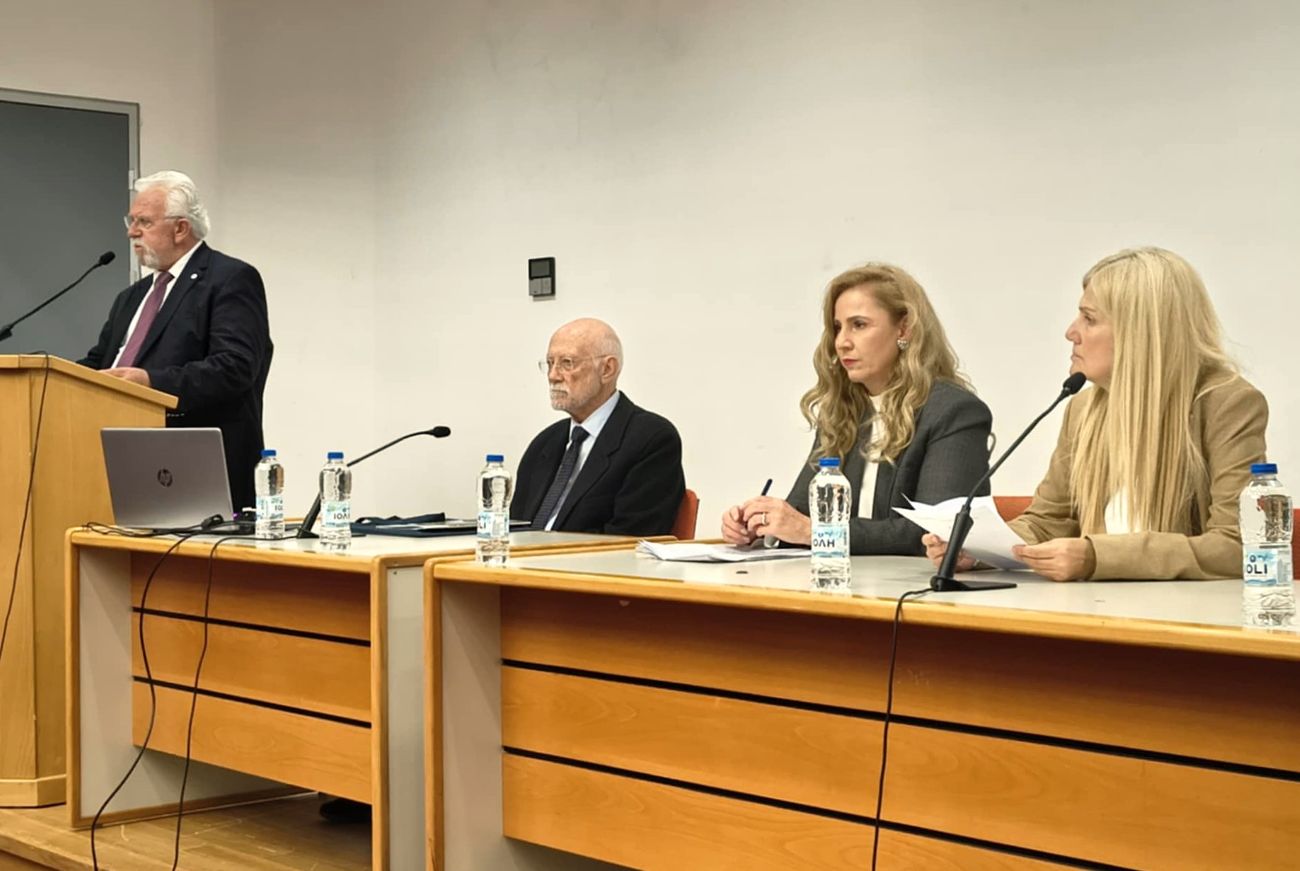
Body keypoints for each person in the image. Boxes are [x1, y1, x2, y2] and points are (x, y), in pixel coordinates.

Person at [925, 246, 1268, 581]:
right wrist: (976, 550)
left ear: (1141, 332)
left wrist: (1096, 557)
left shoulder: (1227, 404)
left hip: (1186, 612)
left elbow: (1237, 545)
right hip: (1093, 607)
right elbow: (1048, 522)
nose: (1071, 332)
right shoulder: (1083, 409)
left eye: (1089, 319)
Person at [722, 263, 992, 555]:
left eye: (859, 325)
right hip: (839, 576)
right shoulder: (843, 412)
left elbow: (935, 532)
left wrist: (816, 531)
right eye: (838, 328)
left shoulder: (953, 412)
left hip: (911, 581)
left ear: (904, 328)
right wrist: (761, 524)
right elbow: (802, 515)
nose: (841, 342)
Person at [80, 171, 272, 511]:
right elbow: (99, 363)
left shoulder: (230, 279)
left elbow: (235, 368)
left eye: (144, 221)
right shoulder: (132, 297)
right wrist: (46, 378)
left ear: (180, 228)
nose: (131, 231)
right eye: (131, 220)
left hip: (196, 463)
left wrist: (151, 382)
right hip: (120, 454)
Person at [512, 318, 685, 535]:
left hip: (587, 557)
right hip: (522, 556)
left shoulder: (651, 439)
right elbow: (514, 525)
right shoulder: (545, 442)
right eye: (549, 363)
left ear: (607, 369)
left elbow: (630, 538)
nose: (553, 376)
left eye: (567, 363)